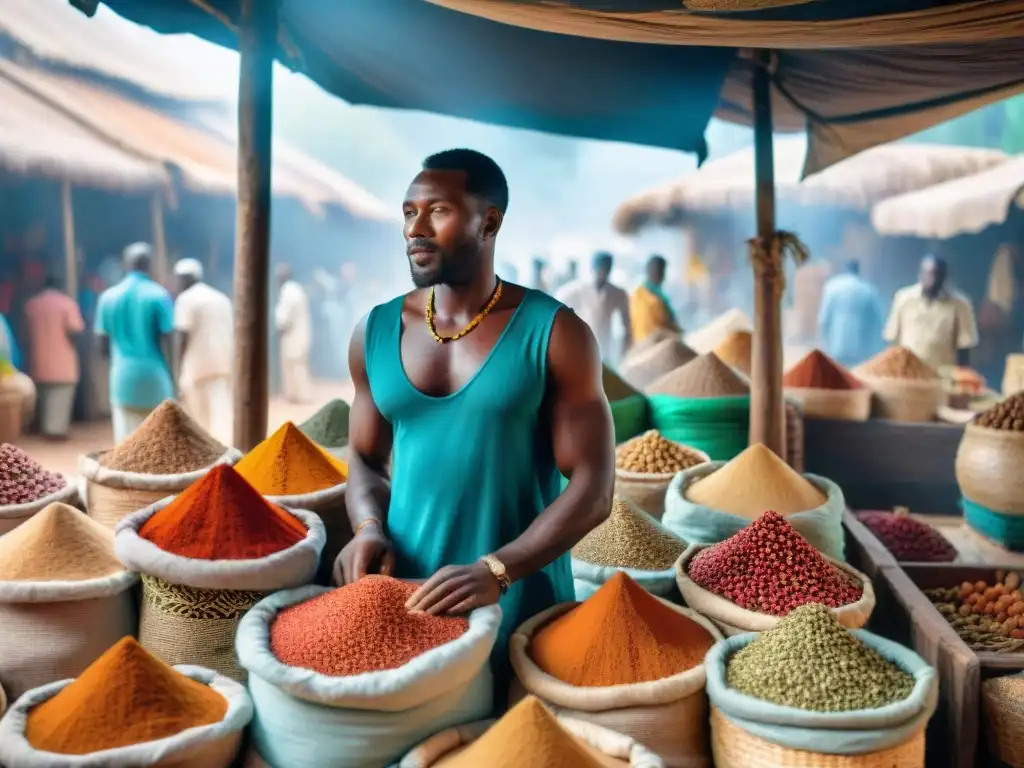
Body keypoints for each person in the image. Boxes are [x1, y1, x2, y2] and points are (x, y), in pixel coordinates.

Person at [333, 148, 614, 698]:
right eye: (409, 211)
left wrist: (499, 570)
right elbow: (366, 459)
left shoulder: (556, 333)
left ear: (489, 221)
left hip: (520, 607)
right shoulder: (374, 330)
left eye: (437, 211)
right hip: (408, 603)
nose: (415, 228)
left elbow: (594, 488)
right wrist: (368, 527)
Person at [95, 242, 174, 442]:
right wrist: (173, 374)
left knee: (126, 446)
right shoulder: (159, 295)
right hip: (155, 377)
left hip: (122, 378)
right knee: (157, 443)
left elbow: (102, 347)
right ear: (150, 264)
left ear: (125, 264)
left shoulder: (108, 297)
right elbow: (169, 342)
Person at [173, 258, 234, 445]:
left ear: (186, 278)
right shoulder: (220, 297)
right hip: (223, 362)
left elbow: (182, 335)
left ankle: (205, 455)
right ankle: (224, 453)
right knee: (221, 414)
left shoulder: (185, 299)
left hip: (197, 366)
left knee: (199, 418)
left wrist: (178, 364)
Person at [884, 255, 979, 370]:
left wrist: (962, 380)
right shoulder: (903, 299)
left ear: (945, 277)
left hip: (942, 377)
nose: (932, 280)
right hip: (908, 374)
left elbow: (964, 347)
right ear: (920, 275)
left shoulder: (960, 304)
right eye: (928, 274)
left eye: (937, 275)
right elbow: (893, 341)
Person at [23, 274, 85, 439]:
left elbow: (25, 331)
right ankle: (56, 431)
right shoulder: (67, 303)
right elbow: (75, 330)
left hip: (38, 359)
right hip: (63, 360)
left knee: (43, 397)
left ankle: (45, 427)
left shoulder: (32, 304)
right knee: (61, 398)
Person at [555, 252, 631, 363]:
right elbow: (558, 302)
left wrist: (624, 350)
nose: (603, 272)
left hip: (605, 346)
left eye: (606, 269)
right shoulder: (577, 289)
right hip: (581, 344)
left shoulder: (617, 293)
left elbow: (626, 325)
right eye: (600, 268)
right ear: (593, 269)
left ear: (610, 270)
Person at [817, 261, 885, 368]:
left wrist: (825, 344)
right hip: (859, 347)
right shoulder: (867, 289)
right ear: (858, 271)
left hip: (836, 344)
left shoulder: (832, 287)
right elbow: (877, 321)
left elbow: (823, 320)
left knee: (838, 376)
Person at [275, 263, 313, 404]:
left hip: (292, 335)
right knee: (295, 364)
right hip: (298, 333)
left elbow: (284, 316)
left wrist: (280, 327)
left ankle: (301, 396)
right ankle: (295, 395)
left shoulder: (288, 292)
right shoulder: (297, 289)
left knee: (295, 365)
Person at [630, 254, 680, 345]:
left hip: (660, 345)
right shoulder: (641, 296)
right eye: (660, 271)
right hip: (651, 347)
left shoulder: (658, 295)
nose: (663, 276)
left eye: (663, 271)